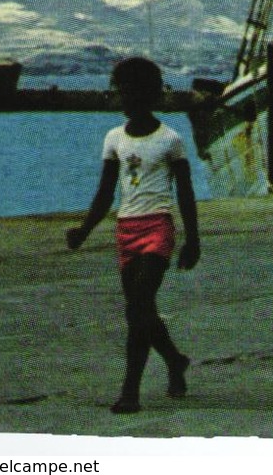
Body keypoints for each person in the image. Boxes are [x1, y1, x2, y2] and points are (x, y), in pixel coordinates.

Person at [65, 57, 199, 414]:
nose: (128, 100)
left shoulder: (171, 140)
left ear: (153, 95)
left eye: (136, 93)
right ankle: (174, 360)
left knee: (139, 304)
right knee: (139, 310)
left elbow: (185, 192)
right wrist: (84, 229)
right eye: (122, 93)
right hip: (127, 230)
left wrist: (193, 239)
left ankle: (130, 392)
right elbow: (106, 193)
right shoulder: (113, 139)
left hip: (158, 227)